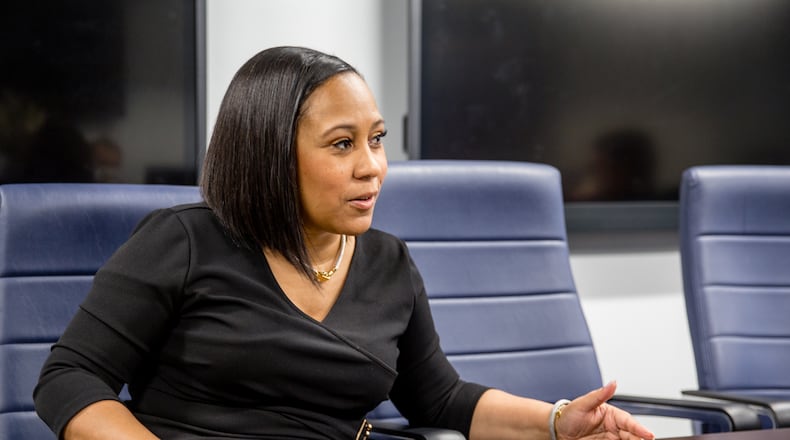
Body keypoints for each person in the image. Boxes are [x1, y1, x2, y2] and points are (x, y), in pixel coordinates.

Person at [33, 46, 654, 440]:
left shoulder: (388, 262)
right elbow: (69, 377)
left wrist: (555, 421)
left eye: (377, 139)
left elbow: (437, 397)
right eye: (341, 144)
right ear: (270, 155)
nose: (373, 167)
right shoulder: (184, 241)